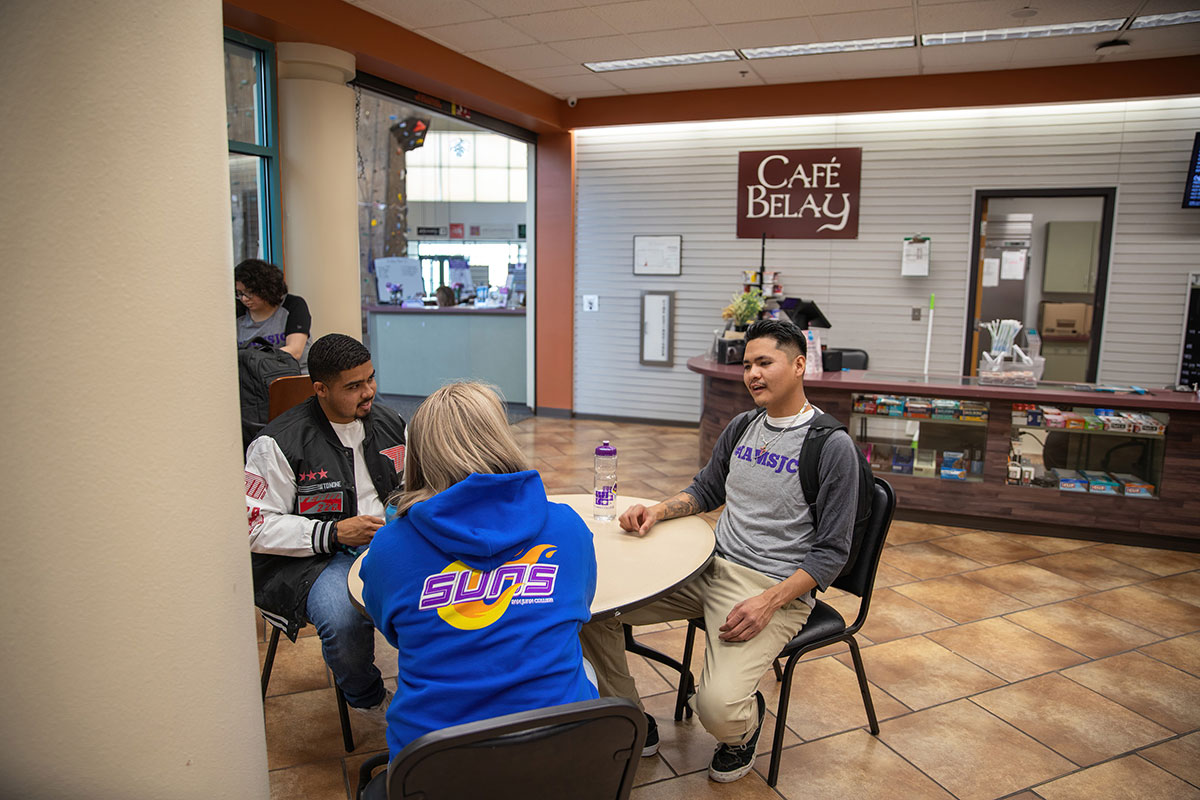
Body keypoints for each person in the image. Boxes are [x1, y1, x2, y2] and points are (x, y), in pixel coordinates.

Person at [579, 318, 860, 783]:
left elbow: (832, 552)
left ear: (799, 365)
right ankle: (629, 716)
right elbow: (707, 489)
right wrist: (657, 510)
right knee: (592, 609)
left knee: (717, 712)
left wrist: (769, 602)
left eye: (765, 362)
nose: (752, 373)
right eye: (748, 364)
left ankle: (744, 725)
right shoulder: (743, 426)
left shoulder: (832, 447)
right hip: (705, 567)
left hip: (771, 588)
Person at [360, 382, 598, 758]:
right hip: (558, 757)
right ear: (501, 439)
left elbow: (390, 627)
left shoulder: (389, 547)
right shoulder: (568, 527)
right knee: (583, 666)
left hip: (434, 766)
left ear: (420, 455)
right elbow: (581, 607)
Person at [245, 333, 407, 722]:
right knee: (343, 618)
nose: (368, 392)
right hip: (317, 559)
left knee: (449, 588)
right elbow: (253, 527)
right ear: (320, 389)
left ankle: (436, 688)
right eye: (353, 386)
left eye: (370, 378)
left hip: (389, 542)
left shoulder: (388, 422)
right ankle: (368, 700)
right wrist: (333, 533)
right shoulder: (277, 444)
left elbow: (411, 485)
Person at [235, 258, 313, 372]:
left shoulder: (292, 305)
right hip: (254, 381)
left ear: (265, 288)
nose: (244, 299)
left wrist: (254, 359)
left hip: (294, 374)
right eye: (240, 293)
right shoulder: (238, 313)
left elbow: (295, 351)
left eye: (250, 292)